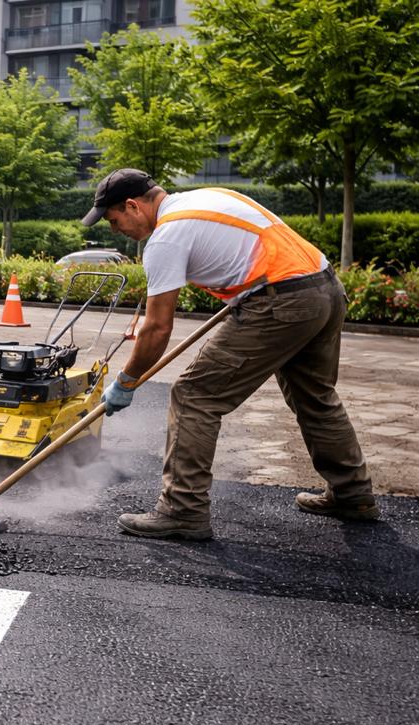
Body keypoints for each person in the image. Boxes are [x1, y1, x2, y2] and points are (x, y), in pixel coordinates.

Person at [85, 168, 378, 541]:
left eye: (114, 220)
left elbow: (157, 328)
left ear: (132, 206)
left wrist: (126, 382)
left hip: (281, 301)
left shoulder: (166, 238)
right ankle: (353, 494)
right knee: (314, 396)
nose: (116, 230)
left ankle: (183, 509)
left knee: (194, 395)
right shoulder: (207, 197)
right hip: (324, 288)